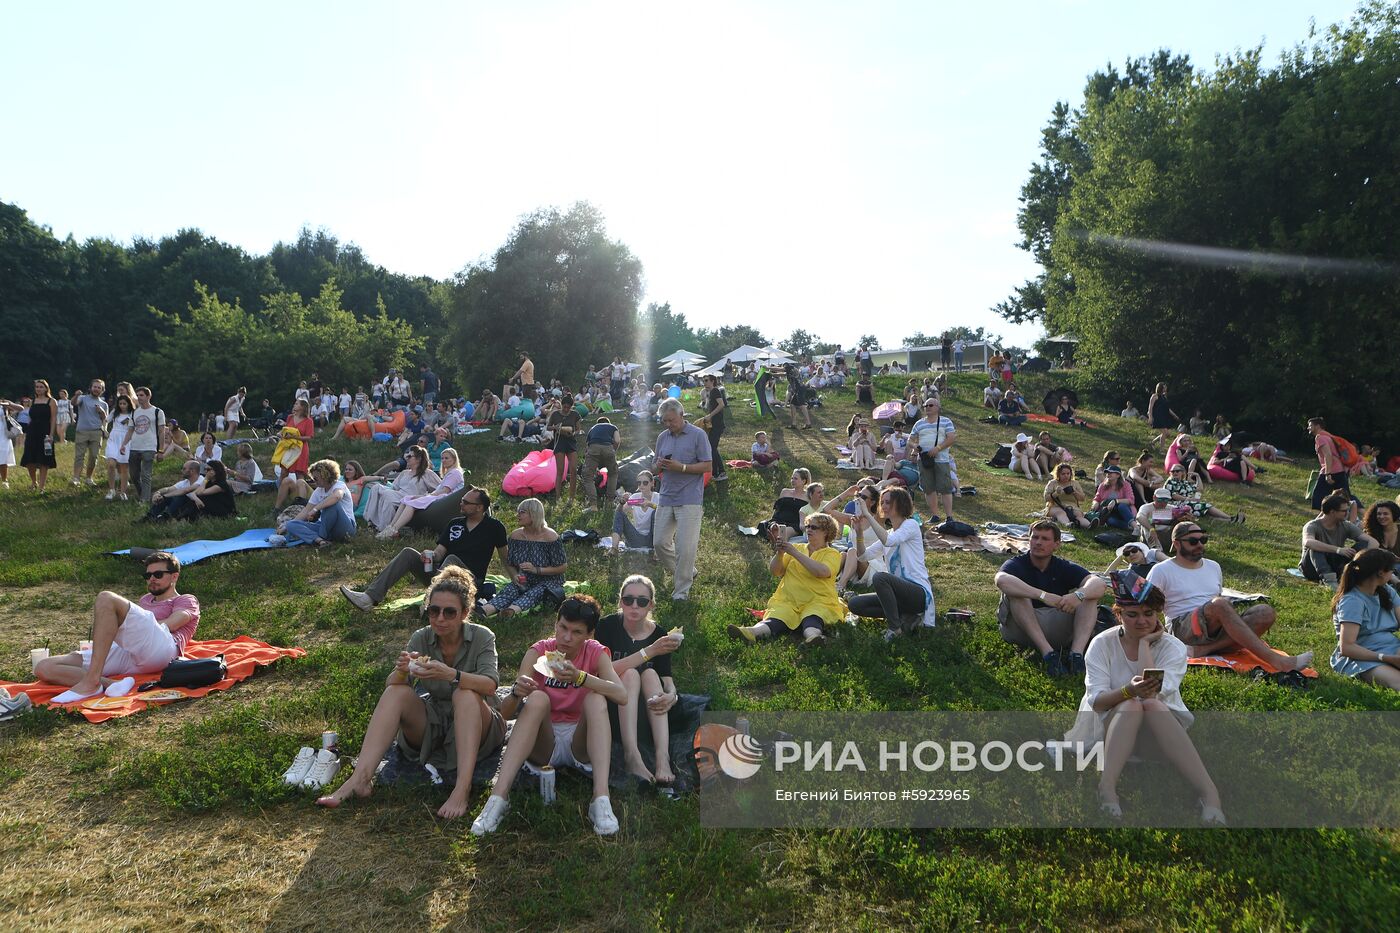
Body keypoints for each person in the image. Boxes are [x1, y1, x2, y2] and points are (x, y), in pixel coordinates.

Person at [318, 566, 505, 819]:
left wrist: (452, 675)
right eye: (433, 610)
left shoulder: (482, 636)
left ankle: (462, 788)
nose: (440, 618)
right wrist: (403, 671)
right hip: (434, 720)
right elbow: (392, 685)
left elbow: (490, 684)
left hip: (478, 723)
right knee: (395, 692)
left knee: (465, 693)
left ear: (465, 613)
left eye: (449, 612)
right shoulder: (422, 638)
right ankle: (360, 779)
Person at [1070, 571, 1225, 825]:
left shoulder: (1172, 647)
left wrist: (1144, 646)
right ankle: (1107, 788)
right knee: (1132, 703)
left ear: (1158, 615)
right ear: (1118, 615)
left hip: (1158, 734)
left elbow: (1152, 692)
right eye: (1132, 615)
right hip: (1111, 730)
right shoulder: (1101, 644)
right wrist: (1127, 692)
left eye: (1149, 614)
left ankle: (1210, 794)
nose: (1142, 621)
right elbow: (1096, 702)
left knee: (1150, 703)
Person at [471, 595, 626, 836]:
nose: (566, 637)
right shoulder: (539, 651)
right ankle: (498, 798)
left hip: (580, 740)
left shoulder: (595, 652)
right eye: (563, 627)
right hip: (544, 741)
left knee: (596, 698)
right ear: (555, 623)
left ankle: (600, 799)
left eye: (576, 632)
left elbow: (621, 695)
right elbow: (505, 714)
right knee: (538, 698)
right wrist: (515, 692)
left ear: (589, 634)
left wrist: (581, 677)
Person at [35, 552, 199, 704]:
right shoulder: (145, 600)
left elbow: (172, 623)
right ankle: (110, 684)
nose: (152, 579)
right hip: (129, 651)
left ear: (174, 576)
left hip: (164, 648)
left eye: (158, 574)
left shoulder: (186, 600)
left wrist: (121, 622)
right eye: (148, 575)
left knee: (106, 598)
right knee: (44, 667)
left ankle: (91, 682)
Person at [1148, 522, 1313, 670]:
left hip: (1214, 622)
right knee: (1220, 604)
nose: (1199, 545)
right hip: (1182, 627)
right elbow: (1147, 605)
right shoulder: (1162, 570)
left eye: (1203, 540)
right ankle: (1277, 661)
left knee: (1265, 612)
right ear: (1176, 544)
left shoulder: (1213, 566)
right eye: (1193, 541)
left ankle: (1204, 650)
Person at [343, 487, 508, 612]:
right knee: (409, 553)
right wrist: (431, 555)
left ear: (479, 507)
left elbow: (505, 558)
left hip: (469, 582)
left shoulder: (494, 527)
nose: (461, 503)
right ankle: (369, 598)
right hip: (441, 577)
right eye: (461, 500)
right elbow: (440, 552)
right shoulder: (455, 523)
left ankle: (432, 603)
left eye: (466, 502)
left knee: (452, 561)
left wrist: (515, 580)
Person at [596, 575, 682, 784]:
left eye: (642, 601)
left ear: (651, 605)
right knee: (631, 674)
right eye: (628, 600)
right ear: (620, 602)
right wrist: (649, 652)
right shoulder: (607, 626)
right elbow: (600, 672)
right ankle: (631, 754)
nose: (634, 606)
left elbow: (666, 679)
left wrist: (672, 696)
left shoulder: (659, 634)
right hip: (614, 713)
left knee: (651, 675)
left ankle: (663, 758)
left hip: (649, 714)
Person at [994, 520, 1106, 676]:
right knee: (1017, 594)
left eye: (1045, 539)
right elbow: (1001, 580)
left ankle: (1076, 656)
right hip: (1020, 630)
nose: (1038, 543)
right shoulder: (1017, 564)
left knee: (1089, 596)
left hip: (1058, 628)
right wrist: (1042, 595)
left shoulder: (1063, 566)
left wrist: (1078, 595)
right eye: (1035, 537)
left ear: (1057, 545)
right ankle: (1049, 655)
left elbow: (1099, 584)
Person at [730, 512, 846, 645]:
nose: (809, 529)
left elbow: (821, 572)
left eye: (814, 527)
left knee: (813, 618)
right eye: (807, 526)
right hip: (789, 599)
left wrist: (794, 553)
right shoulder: (796, 547)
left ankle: (813, 638)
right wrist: (780, 554)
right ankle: (751, 632)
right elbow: (776, 571)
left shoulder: (832, 554)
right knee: (777, 617)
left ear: (826, 532)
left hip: (818, 600)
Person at [845, 487, 935, 639]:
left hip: (918, 593)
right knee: (855, 604)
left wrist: (867, 514)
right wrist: (859, 533)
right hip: (898, 594)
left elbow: (888, 542)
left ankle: (895, 628)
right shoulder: (890, 533)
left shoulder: (911, 525)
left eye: (888, 502)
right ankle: (905, 617)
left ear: (900, 504)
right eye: (882, 502)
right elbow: (863, 556)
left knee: (880, 577)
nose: (884, 506)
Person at [653, 399, 712, 601]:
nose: (668, 424)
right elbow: (654, 468)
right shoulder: (662, 437)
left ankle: (681, 591)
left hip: (690, 497)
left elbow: (707, 466)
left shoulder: (698, 434)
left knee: (685, 547)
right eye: (664, 421)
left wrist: (683, 468)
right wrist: (659, 465)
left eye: (671, 420)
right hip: (667, 495)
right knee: (659, 543)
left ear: (681, 415)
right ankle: (688, 571)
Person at [479, 498, 567, 618]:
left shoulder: (551, 537)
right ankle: (484, 611)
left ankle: (511, 611)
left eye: (522, 512)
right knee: (510, 590)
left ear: (534, 514)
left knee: (535, 593)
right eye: (518, 512)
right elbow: (509, 562)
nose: (518, 515)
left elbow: (562, 567)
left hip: (549, 580)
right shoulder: (516, 536)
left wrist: (537, 570)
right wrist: (514, 575)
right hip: (525, 578)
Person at [1329, 549, 1400, 691]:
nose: (1393, 574)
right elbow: (1347, 647)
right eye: (1392, 570)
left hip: (1392, 648)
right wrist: (1386, 658)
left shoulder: (1386, 590)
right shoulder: (1352, 601)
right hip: (1363, 657)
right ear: (1380, 572)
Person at [376, 448, 465, 540]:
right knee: (405, 499)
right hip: (439, 496)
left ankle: (394, 530)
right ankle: (390, 527)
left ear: (454, 459)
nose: (444, 460)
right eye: (442, 458)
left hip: (444, 498)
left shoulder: (455, 473)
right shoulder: (450, 473)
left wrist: (427, 495)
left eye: (447, 458)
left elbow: (445, 491)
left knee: (410, 504)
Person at [1299, 493, 1377, 585]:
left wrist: (1361, 559)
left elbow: (1373, 542)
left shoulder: (1346, 525)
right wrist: (1338, 550)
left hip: (1334, 564)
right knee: (1315, 547)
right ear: (1332, 512)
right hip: (1311, 567)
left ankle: (1353, 574)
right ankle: (1330, 581)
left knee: (1364, 544)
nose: (1347, 513)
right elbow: (1308, 542)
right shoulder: (1312, 525)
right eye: (1344, 511)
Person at [275, 460, 356, 546]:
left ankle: (320, 536)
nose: (314, 480)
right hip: (323, 526)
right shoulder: (318, 491)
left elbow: (337, 496)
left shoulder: (339, 485)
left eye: (316, 478)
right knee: (291, 524)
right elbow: (306, 511)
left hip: (344, 527)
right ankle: (319, 540)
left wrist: (316, 509)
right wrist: (286, 526)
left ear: (325, 476)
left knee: (332, 505)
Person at [362, 446, 439, 531]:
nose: (407, 459)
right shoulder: (404, 473)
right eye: (406, 456)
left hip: (410, 498)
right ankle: (371, 522)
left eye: (410, 456)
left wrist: (427, 496)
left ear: (418, 459)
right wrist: (382, 482)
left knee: (388, 495)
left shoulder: (427, 473)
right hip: (398, 495)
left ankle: (384, 528)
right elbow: (393, 488)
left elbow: (440, 488)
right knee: (376, 487)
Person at [910, 397, 956, 522]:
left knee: (945, 488)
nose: (927, 408)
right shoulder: (919, 423)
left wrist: (938, 448)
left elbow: (951, 438)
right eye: (925, 406)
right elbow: (910, 439)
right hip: (924, 459)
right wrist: (914, 446)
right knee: (928, 488)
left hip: (941, 459)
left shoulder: (946, 421)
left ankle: (949, 517)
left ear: (938, 408)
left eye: (930, 405)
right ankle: (935, 515)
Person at [1163, 463, 1243, 524]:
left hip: (1188, 502)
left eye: (1177, 471)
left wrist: (1198, 477)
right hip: (1176, 504)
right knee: (1204, 505)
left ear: (1182, 472)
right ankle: (1230, 518)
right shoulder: (1170, 482)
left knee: (1203, 506)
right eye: (1172, 471)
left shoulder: (1185, 483)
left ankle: (1228, 519)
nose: (1174, 473)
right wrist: (1189, 499)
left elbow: (1200, 489)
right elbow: (1174, 495)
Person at [274, 400, 316, 511]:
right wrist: (281, 434)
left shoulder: (308, 421)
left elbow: (309, 437)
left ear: (303, 407)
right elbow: (285, 430)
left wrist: (295, 437)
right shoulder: (290, 418)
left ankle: (299, 501)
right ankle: (280, 496)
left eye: (297, 403)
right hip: (289, 448)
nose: (294, 404)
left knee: (299, 475)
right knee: (283, 472)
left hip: (301, 449)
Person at [127, 386, 165, 503]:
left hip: (149, 447)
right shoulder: (134, 412)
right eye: (137, 395)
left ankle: (144, 500)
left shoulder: (157, 411)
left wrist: (161, 450)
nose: (139, 398)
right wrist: (123, 445)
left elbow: (162, 431)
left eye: (142, 395)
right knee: (133, 475)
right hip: (134, 447)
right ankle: (143, 494)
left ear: (148, 396)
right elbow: (130, 430)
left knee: (146, 474)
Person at [19, 379, 58, 493]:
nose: (39, 389)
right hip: (32, 432)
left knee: (43, 460)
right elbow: (30, 418)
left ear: (46, 388)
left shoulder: (52, 401)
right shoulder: (33, 401)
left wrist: (51, 435)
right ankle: (33, 482)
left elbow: (53, 419)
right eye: (37, 387)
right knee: (29, 459)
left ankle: (42, 487)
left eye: (41, 387)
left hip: (45, 432)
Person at [70, 379, 109, 487]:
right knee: (79, 456)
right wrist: (76, 395)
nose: (96, 389)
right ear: (90, 388)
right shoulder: (83, 398)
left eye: (99, 387)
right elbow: (73, 403)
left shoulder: (104, 404)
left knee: (94, 456)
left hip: (97, 432)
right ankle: (76, 478)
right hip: (82, 431)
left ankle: (88, 478)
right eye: (95, 387)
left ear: (102, 390)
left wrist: (101, 412)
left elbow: (105, 419)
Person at [140, 460, 206, 522]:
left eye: (184, 469)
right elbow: (168, 489)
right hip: (184, 506)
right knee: (169, 497)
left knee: (180, 496)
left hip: (196, 507)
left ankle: (165, 517)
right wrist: (158, 493)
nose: (181, 471)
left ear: (192, 471)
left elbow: (186, 490)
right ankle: (150, 516)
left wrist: (164, 496)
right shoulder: (185, 482)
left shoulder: (201, 480)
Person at [1308, 417, 1352, 511]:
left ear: (1318, 426)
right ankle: (1354, 510)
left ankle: (1321, 518)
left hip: (1331, 470)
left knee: (1318, 496)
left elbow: (1328, 455)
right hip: (1340, 469)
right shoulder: (1329, 436)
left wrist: (1327, 474)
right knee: (1345, 495)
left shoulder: (1320, 437)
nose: (1308, 428)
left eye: (1310, 425)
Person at [611, 470, 659, 554]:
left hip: (653, 537)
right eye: (639, 483)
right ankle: (614, 548)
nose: (641, 485)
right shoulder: (635, 497)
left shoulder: (658, 497)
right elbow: (620, 514)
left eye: (645, 482)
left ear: (652, 483)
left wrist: (651, 504)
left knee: (656, 512)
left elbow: (666, 514)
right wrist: (622, 502)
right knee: (619, 512)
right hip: (636, 537)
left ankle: (656, 551)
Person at [580, 415, 620, 512]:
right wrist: (613, 451)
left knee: (588, 477)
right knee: (612, 474)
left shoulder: (593, 428)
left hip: (593, 449)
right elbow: (617, 440)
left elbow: (587, 447)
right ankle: (610, 503)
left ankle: (593, 505)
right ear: (608, 422)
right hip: (608, 448)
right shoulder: (613, 427)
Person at [104, 394, 135, 501]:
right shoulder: (115, 412)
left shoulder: (133, 414)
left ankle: (122, 492)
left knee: (124, 468)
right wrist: (104, 429)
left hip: (126, 440)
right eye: (120, 403)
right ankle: (111, 489)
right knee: (111, 464)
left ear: (129, 404)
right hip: (113, 438)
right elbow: (106, 420)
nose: (122, 406)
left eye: (124, 403)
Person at [1044, 463, 1091, 529]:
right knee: (1061, 513)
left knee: (1078, 516)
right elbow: (1046, 498)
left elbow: (1082, 498)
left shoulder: (1075, 483)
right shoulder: (1052, 483)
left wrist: (1075, 492)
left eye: (1068, 474)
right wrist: (1056, 493)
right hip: (1055, 506)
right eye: (1063, 474)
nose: (1066, 476)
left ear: (1071, 474)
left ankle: (1089, 525)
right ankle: (1067, 524)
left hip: (1072, 507)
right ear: (1058, 474)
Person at [700, 373, 728, 483]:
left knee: (712, 447)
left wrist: (710, 416)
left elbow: (721, 405)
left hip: (717, 424)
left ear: (712, 381)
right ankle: (716, 473)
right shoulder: (710, 393)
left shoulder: (715, 391)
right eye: (704, 380)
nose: (704, 382)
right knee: (712, 448)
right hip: (714, 424)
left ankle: (721, 472)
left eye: (706, 380)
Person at [1093, 466, 1138, 530]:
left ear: (1118, 475)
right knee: (1110, 521)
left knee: (1121, 506)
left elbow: (1131, 500)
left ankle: (1135, 526)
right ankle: (1130, 527)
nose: (1108, 474)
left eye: (1111, 472)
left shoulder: (1125, 484)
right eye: (1107, 472)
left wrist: (1116, 501)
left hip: (1124, 510)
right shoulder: (1102, 486)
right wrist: (1095, 503)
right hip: (1110, 512)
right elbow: (1097, 498)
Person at [1147, 382, 1181, 448]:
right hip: (1157, 416)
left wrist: (1174, 415)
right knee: (1164, 433)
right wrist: (1150, 417)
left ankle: (1153, 442)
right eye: (1164, 387)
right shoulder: (1155, 396)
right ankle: (1161, 449)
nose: (1166, 388)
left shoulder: (1164, 397)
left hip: (1163, 417)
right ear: (1161, 387)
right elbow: (1150, 407)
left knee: (1167, 434)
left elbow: (1167, 408)